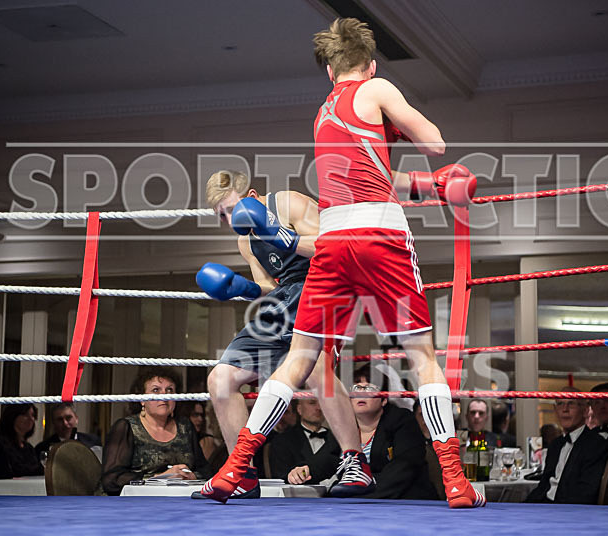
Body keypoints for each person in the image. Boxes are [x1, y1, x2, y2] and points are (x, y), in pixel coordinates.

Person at [201, 17, 483, 508]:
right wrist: (422, 149)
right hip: (381, 236)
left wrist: (428, 186)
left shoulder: (323, 111)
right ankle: (456, 480)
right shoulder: (378, 87)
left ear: (330, 73)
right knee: (421, 357)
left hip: (333, 240)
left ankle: (234, 468)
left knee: (299, 360)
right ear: (369, 64)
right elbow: (436, 141)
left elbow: (378, 175)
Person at [198, 170, 355, 499]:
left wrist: (285, 237)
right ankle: (243, 473)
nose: (229, 220)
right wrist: (242, 288)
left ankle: (355, 462)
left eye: (231, 209)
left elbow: (332, 249)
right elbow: (271, 287)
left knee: (315, 371)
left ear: (252, 196)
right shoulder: (246, 241)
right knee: (220, 378)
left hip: (326, 286)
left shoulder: (288, 203)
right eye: (221, 215)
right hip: (284, 302)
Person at [102, 368, 213, 495]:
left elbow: (206, 470)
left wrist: (192, 476)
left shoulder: (185, 426)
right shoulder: (125, 427)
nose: (164, 396)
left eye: (169, 390)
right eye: (156, 390)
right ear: (142, 399)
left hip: (181, 501)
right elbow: (111, 480)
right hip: (133, 503)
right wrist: (159, 478)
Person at [350, 369, 438, 500]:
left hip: (407, 504)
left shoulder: (402, 421)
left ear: (384, 399)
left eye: (369, 388)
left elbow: (403, 469)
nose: (361, 393)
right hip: (355, 505)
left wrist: (357, 492)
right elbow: (326, 462)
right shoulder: (344, 426)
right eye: (357, 388)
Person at [526, 388, 607, 504]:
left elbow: (587, 492)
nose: (565, 409)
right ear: (555, 410)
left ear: (585, 411)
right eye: (560, 404)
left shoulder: (595, 444)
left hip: (569, 510)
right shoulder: (555, 445)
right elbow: (544, 485)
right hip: (545, 505)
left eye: (571, 404)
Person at [270, 397, 340, 484]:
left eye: (322, 403)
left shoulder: (338, 438)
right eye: (312, 403)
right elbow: (280, 476)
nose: (319, 408)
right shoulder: (282, 441)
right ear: (299, 409)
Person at [34, 403, 101, 462]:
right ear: (53, 423)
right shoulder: (42, 448)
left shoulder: (93, 442)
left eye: (68, 418)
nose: (65, 423)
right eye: (60, 419)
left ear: (76, 419)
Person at [0, 403, 43, 477]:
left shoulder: (29, 448)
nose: (30, 419)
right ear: (13, 416)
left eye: (32, 415)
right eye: (25, 414)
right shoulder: (0, 444)